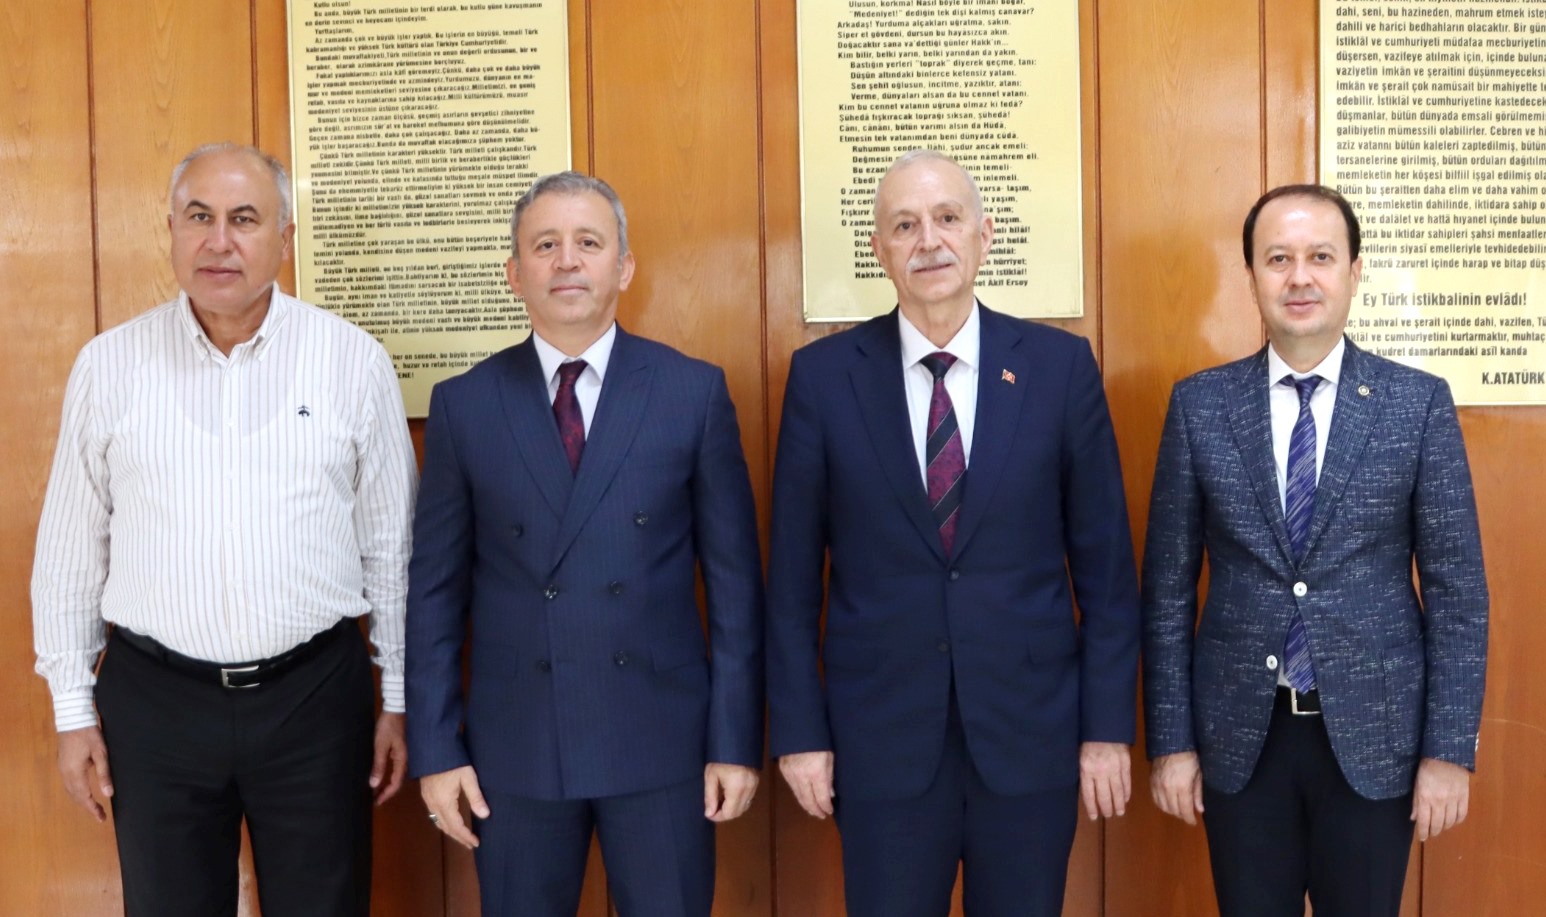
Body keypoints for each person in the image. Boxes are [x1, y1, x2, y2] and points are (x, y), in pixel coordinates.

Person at [30, 142, 417, 916]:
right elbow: (71, 551)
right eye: (198, 217)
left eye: (244, 219)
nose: (219, 241)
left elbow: (391, 549)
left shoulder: (353, 362)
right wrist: (73, 710)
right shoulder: (109, 367)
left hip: (315, 699)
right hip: (156, 703)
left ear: (285, 237)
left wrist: (398, 696)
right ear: (171, 231)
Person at [766, 149, 1141, 916]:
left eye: (947, 218)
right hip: (881, 743)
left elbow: (1107, 574)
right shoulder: (824, 378)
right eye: (905, 225)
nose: (928, 241)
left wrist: (1107, 728)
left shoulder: (1059, 368)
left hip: (1030, 738)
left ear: (984, 234)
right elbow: (793, 584)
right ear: (880, 249)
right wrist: (801, 732)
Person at [406, 171, 764, 916]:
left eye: (588, 243)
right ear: (515, 274)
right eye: (545, 245)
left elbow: (735, 588)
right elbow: (434, 596)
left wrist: (733, 741)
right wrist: (436, 750)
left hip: (662, 743)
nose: (566, 260)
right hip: (517, 751)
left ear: (624, 267)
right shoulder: (465, 404)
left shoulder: (691, 393)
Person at [1141, 184, 1488, 917]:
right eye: (1278, 259)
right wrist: (1171, 742)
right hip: (1241, 739)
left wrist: (1448, 750)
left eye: (1320, 257)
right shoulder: (1201, 406)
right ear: (1252, 277)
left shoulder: (1417, 404)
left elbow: (1458, 594)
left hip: (1376, 740)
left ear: (1354, 271)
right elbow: (1167, 590)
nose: (1299, 277)